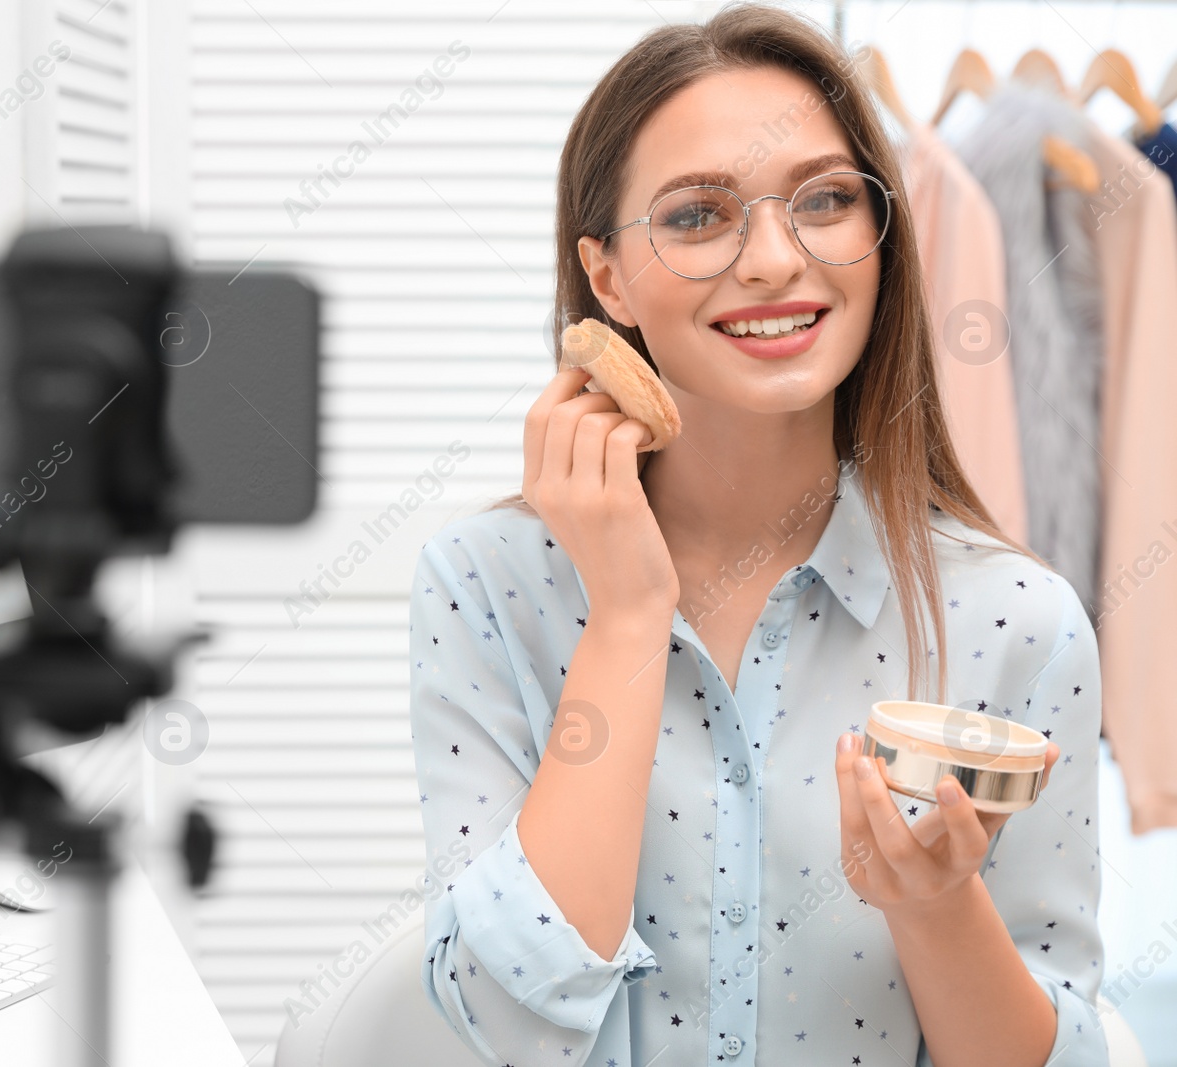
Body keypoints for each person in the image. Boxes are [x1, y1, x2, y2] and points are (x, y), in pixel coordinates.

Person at [406, 5, 1107, 1066]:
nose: (778, 259)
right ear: (605, 278)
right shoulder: (485, 584)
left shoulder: (1019, 618)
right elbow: (502, 1023)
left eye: (824, 199)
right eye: (698, 216)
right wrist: (629, 617)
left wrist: (933, 907)